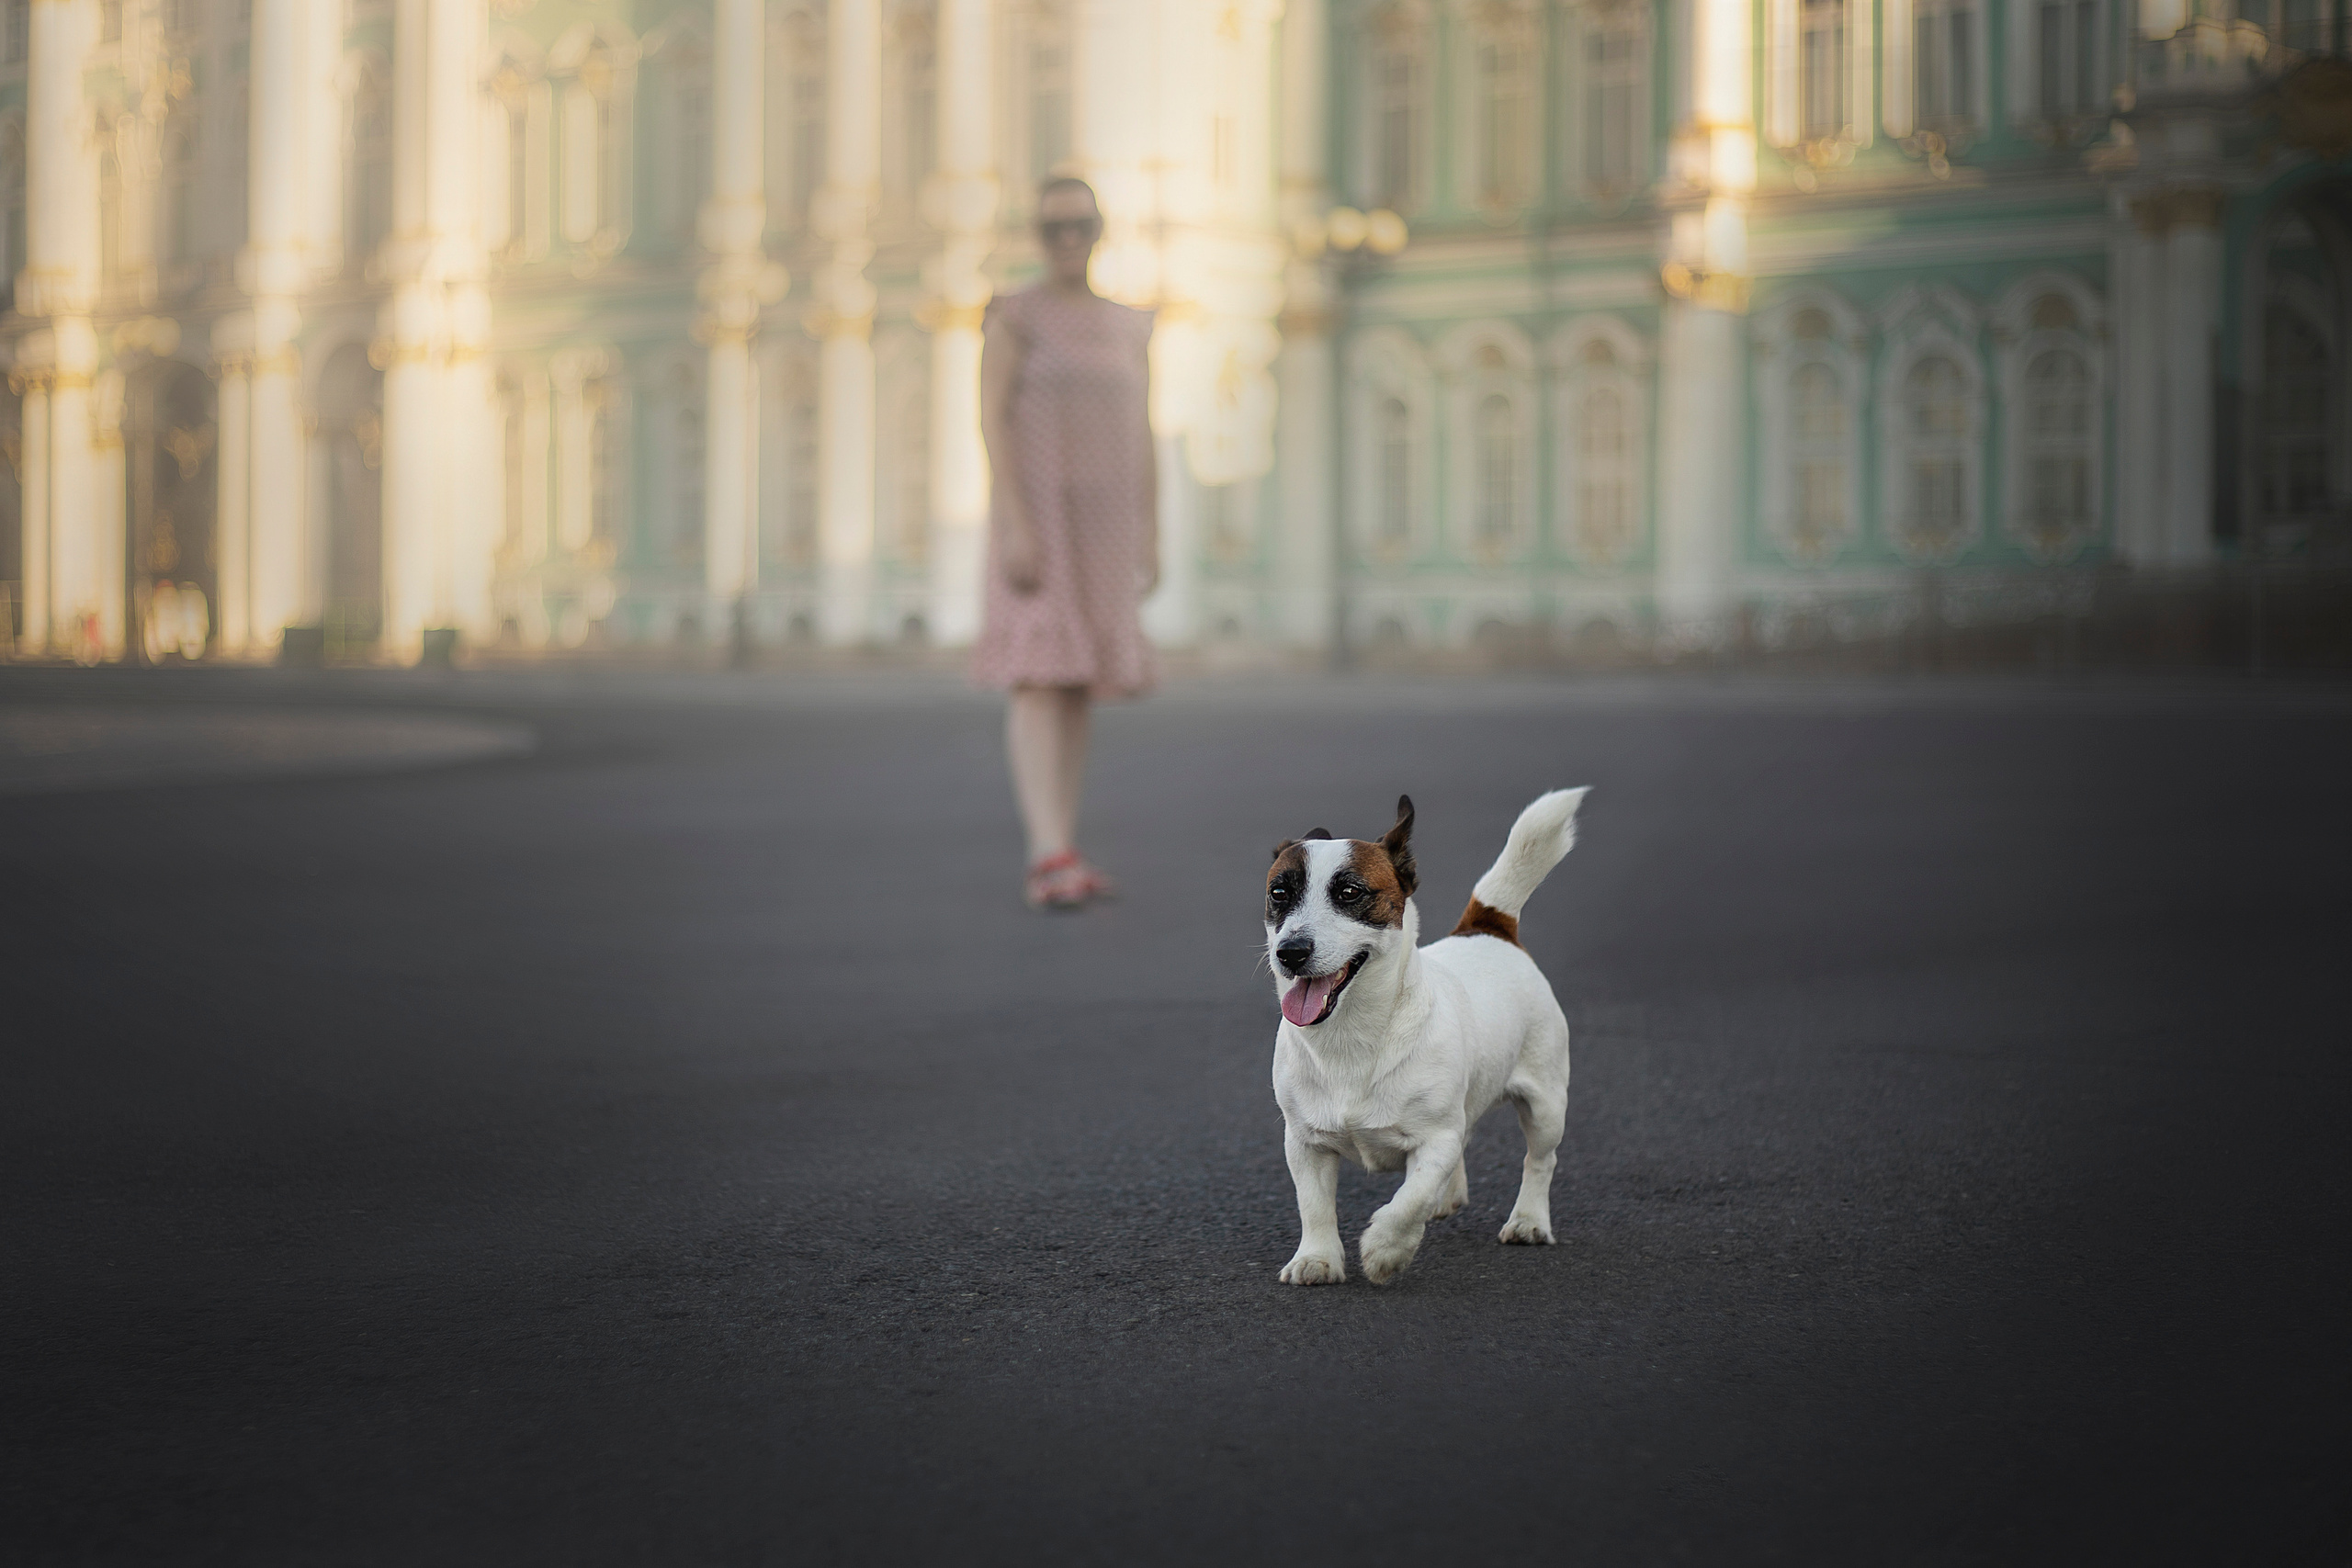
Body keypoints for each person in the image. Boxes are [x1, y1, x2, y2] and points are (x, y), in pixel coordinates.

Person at [972, 177, 1159, 909]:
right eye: (1052, 227)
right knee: (1038, 676)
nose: (1067, 238)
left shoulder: (1126, 323)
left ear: (1099, 228)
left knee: (1080, 679)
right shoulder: (1014, 317)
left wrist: (1153, 525)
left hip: (1106, 524)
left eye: (1080, 223)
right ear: (1035, 236)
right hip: (1038, 516)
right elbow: (990, 420)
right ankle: (1044, 853)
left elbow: (1144, 426)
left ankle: (1066, 844)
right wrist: (1015, 522)